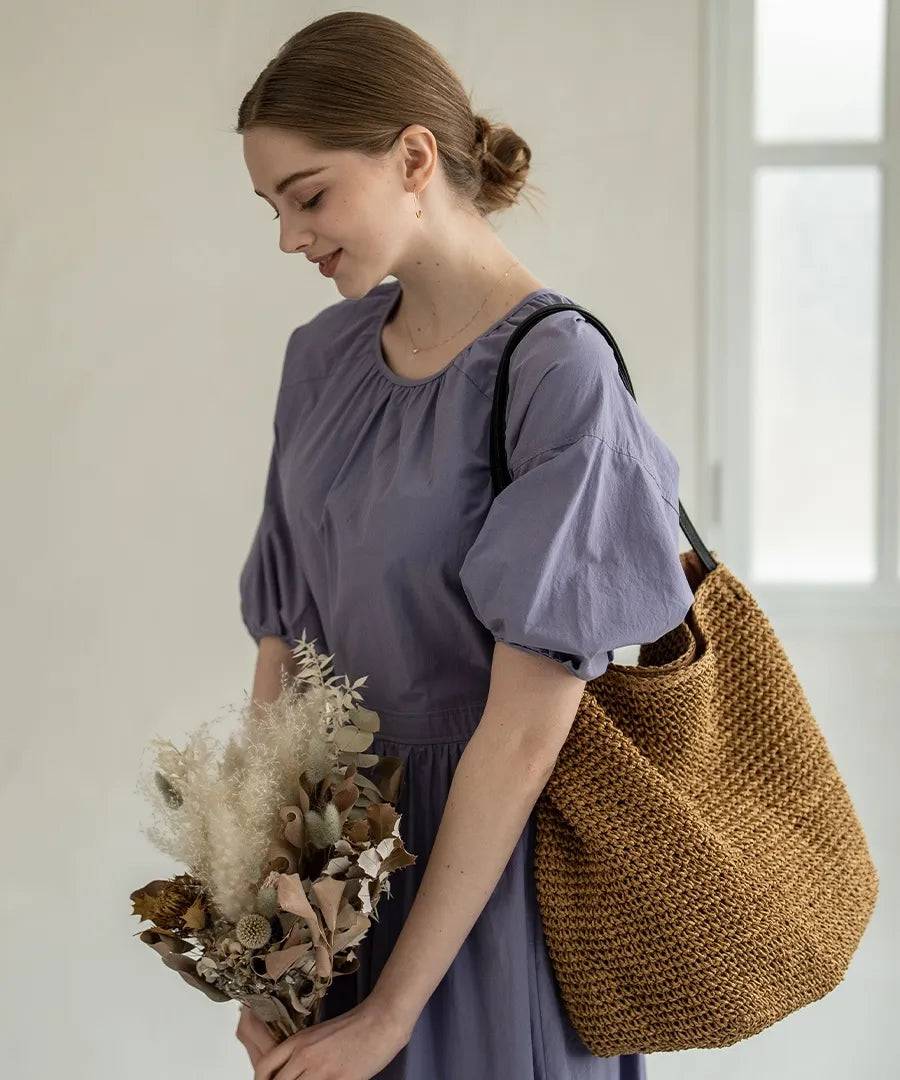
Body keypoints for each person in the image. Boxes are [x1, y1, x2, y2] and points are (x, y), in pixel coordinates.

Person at [233, 11, 694, 1080]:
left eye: (308, 196)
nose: (290, 239)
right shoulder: (321, 360)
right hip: (341, 874)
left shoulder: (556, 372)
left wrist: (393, 1013)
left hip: (489, 896)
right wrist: (272, 931)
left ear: (412, 157)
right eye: (271, 207)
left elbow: (526, 735)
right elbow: (280, 652)